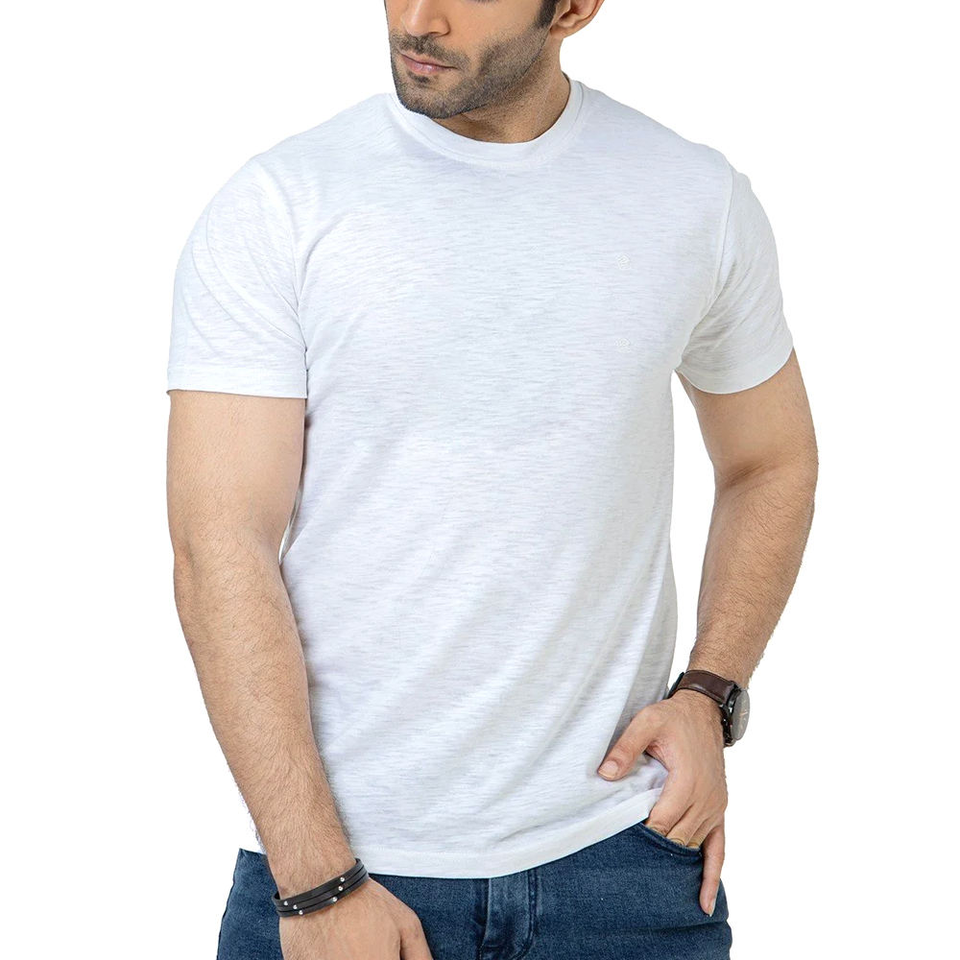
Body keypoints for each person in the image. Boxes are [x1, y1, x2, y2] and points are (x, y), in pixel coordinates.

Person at [165, 1, 818, 958]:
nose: (416, 17)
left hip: (623, 863)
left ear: (574, 9)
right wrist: (315, 880)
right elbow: (218, 544)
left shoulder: (691, 197)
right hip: (344, 870)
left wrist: (710, 693)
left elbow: (770, 461)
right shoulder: (283, 205)